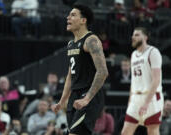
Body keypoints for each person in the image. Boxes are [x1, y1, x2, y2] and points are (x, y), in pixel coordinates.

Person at [51, 4, 108, 135]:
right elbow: (70, 75)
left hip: (90, 95)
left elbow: (103, 71)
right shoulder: (71, 44)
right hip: (75, 96)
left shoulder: (91, 40)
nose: (68, 17)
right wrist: (62, 101)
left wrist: (87, 99)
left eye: (73, 15)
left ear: (83, 20)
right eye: (69, 15)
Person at [121, 27, 164, 135]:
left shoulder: (153, 52)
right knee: (125, 132)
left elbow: (156, 79)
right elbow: (134, 82)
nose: (133, 37)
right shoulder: (133, 55)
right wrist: (130, 100)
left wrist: (146, 102)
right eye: (133, 35)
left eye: (136, 35)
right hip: (136, 97)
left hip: (152, 98)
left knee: (152, 131)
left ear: (145, 37)